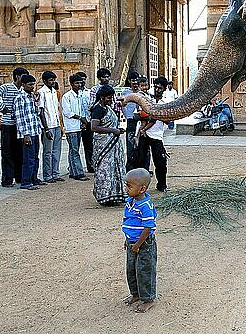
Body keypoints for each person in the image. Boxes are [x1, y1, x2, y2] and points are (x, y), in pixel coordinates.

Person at [122, 168, 157, 313]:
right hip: (132, 242)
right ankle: (135, 294)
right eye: (126, 185)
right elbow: (128, 222)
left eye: (129, 186)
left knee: (144, 270)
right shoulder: (130, 202)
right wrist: (127, 239)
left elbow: (148, 227)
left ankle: (148, 299)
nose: (126, 189)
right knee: (131, 269)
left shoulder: (145, 206)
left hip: (144, 244)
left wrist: (138, 244)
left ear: (142, 189)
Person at [0, 67, 29, 187]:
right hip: (7, 123)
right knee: (7, 153)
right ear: (17, 77)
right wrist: (2, 107)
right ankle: (7, 179)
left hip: (20, 124)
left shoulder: (24, 89)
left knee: (19, 152)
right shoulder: (6, 87)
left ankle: (20, 177)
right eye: (23, 76)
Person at [90, 85, 126, 205]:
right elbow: (94, 127)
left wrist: (117, 130)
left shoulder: (107, 107)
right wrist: (112, 131)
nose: (110, 100)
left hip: (113, 143)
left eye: (111, 98)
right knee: (104, 170)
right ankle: (104, 196)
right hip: (104, 145)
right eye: (108, 98)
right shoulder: (98, 109)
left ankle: (115, 195)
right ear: (101, 97)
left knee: (114, 168)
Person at [134, 76, 168, 192]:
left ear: (164, 89)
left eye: (160, 88)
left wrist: (159, 116)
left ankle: (162, 185)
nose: (157, 90)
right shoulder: (145, 99)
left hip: (157, 135)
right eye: (156, 87)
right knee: (140, 161)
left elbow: (168, 120)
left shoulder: (165, 103)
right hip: (144, 134)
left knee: (160, 162)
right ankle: (139, 187)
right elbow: (135, 115)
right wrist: (146, 116)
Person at [13, 74, 46, 190]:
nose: (32, 87)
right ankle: (26, 181)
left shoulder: (32, 96)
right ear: (23, 85)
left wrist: (37, 101)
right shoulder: (19, 98)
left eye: (33, 84)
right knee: (28, 159)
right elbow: (19, 118)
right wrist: (25, 134)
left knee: (35, 157)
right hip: (27, 132)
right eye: (30, 84)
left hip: (35, 130)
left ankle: (34, 178)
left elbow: (36, 113)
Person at [61, 74, 89, 181]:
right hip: (71, 127)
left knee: (74, 150)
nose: (79, 85)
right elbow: (68, 112)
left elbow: (82, 109)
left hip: (78, 126)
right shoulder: (67, 96)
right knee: (74, 151)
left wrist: (83, 122)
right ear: (71, 84)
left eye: (80, 82)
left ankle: (73, 171)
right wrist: (81, 118)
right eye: (77, 83)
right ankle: (78, 173)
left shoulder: (80, 95)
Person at [38, 71, 64, 183]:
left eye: (54, 80)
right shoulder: (41, 92)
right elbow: (41, 111)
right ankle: (47, 175)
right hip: (48, 126)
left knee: (56, 151)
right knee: (48, 152)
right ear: (44, 81)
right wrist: (46, 128)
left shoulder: (54, 92)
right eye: (50, 80)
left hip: (56, 124)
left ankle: (55, 173)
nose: (53, 82)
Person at [122, 72, 140, 171]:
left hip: (141, 121)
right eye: (133, 81)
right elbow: (122, 106)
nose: (135, 83)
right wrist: (128, 116)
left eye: (136, 80)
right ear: (129, 81)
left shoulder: (141, 93)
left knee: (140, 144)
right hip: (131, 120)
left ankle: (140, 165)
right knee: (130, 143)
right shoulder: (126, 93)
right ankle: (130, 166)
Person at [76, 71, 94, 173]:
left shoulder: (89, 92)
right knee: (76, 147)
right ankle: (75, 168)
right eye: (80, 80)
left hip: (88, 122)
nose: (82, 82)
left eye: (83, 79)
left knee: (89, 145)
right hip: (77, 123)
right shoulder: (73, 94)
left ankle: (90, 165)